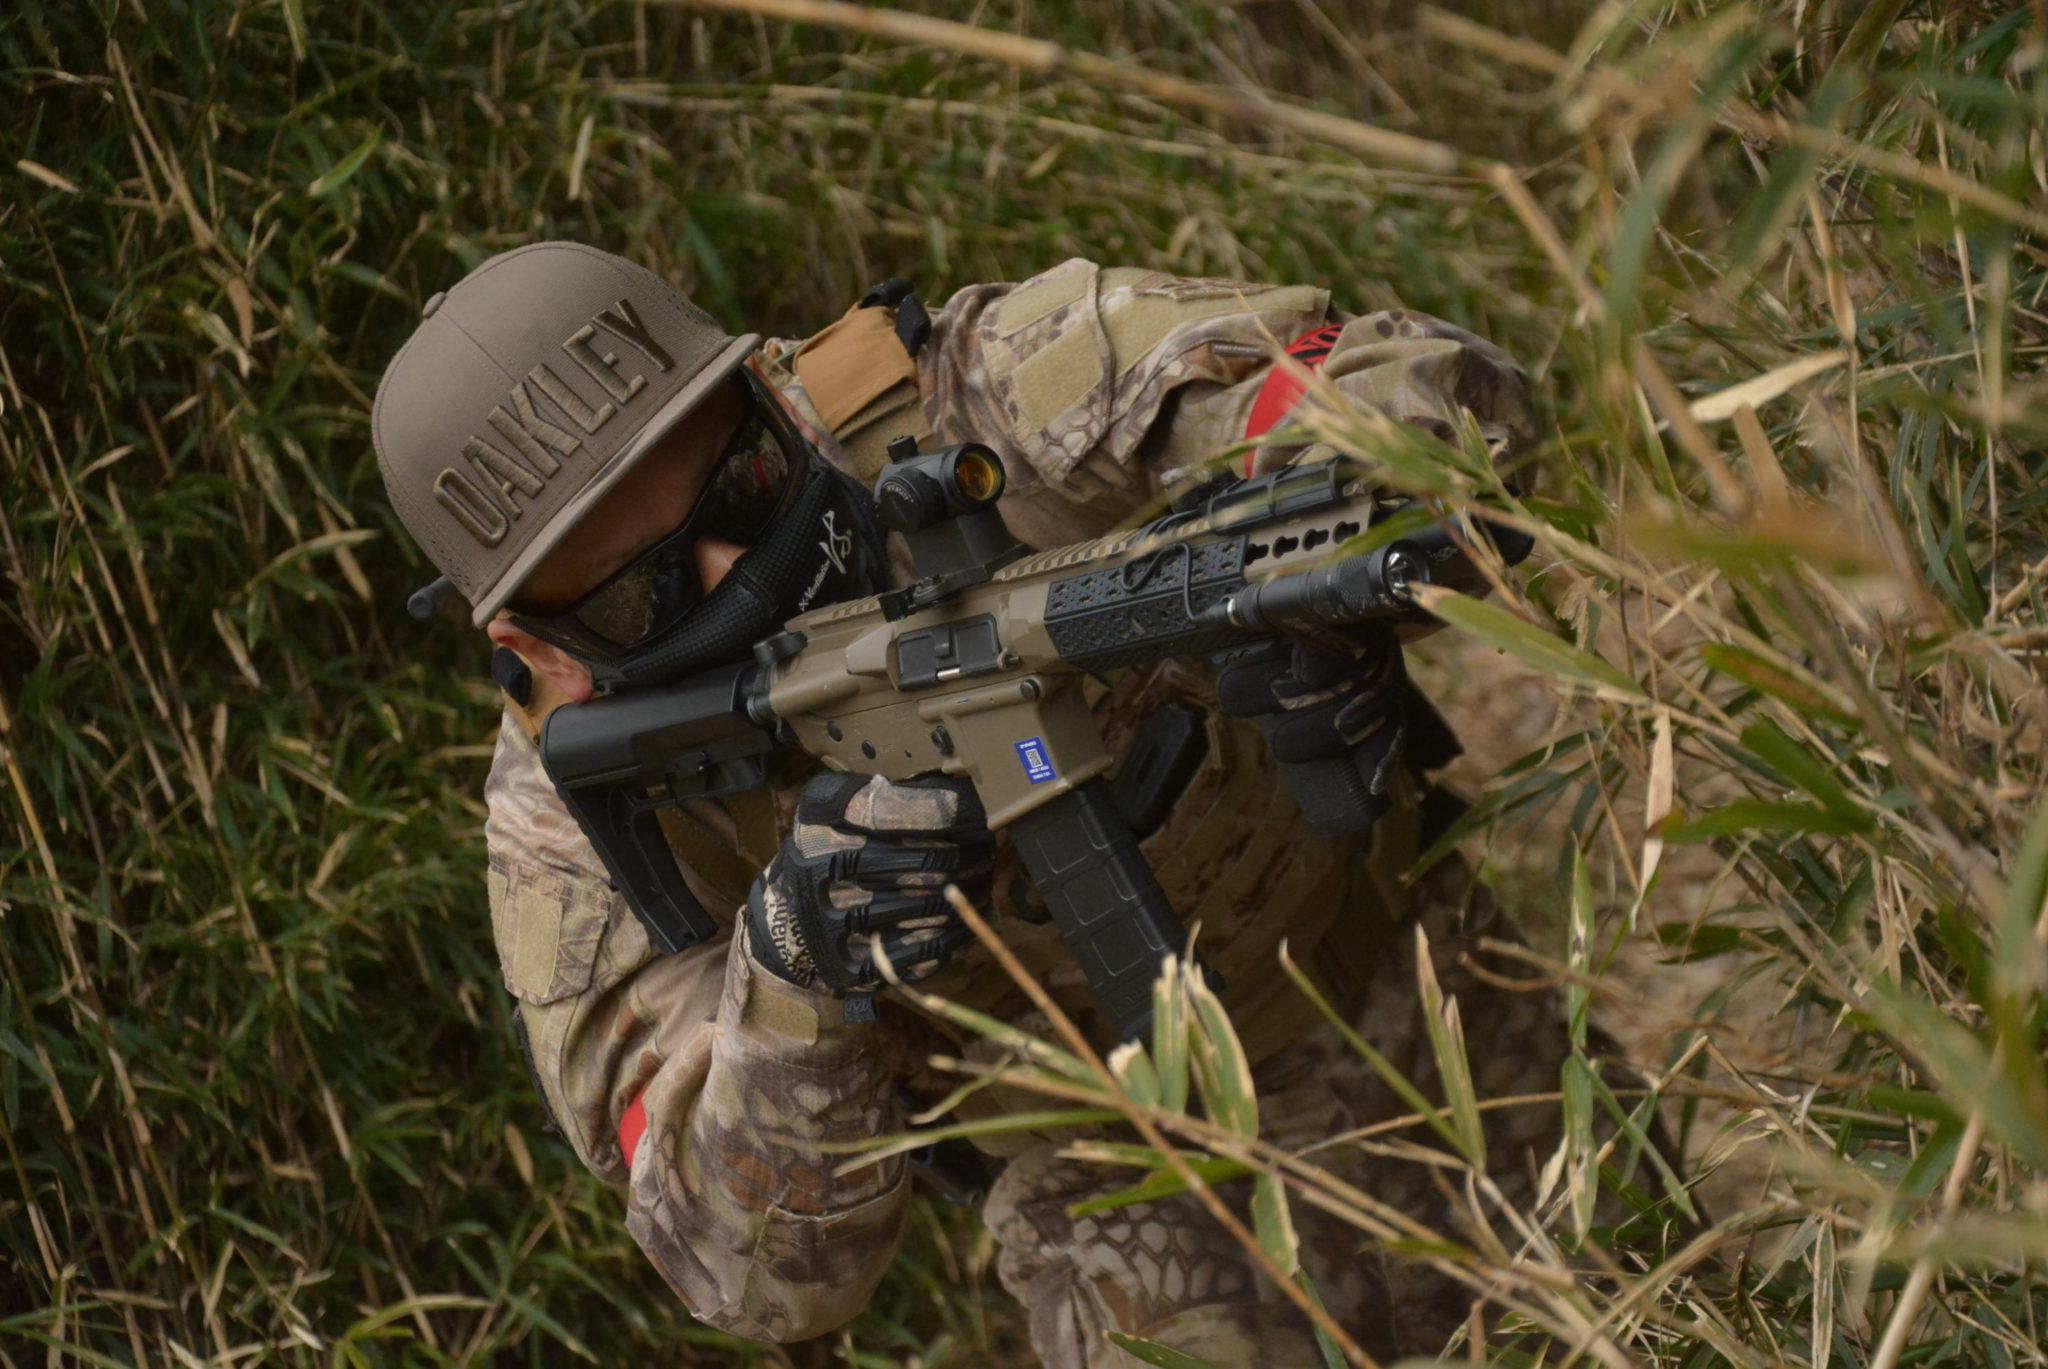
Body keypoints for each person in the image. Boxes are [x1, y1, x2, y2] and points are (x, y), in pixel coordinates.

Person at [373, 241, 1576, 1366]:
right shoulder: (567, 828)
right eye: (642, 595)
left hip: (1413, 972)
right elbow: (753, 1280)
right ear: (541, 646)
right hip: (1126, 1196)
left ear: (770, 396)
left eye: (743, 485)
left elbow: (1415, 385)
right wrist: (793, 966)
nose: (734, 575)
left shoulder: (969, 391)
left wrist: (1342, 524)